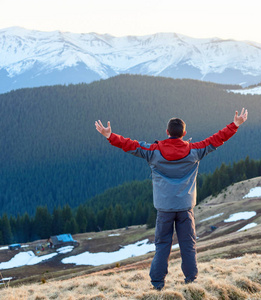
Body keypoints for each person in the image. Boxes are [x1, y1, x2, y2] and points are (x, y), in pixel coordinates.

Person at [95, 108, 248, 291]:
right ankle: (191, 281)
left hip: (164, 209)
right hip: (185, 208)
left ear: (167, 132)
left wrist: (109, 135)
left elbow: (130, 145)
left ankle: (158, 284)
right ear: (184, 133)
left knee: (162, 246)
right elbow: (217, 139)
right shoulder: (195, 151)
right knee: (188, 245)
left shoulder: (153, 151)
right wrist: (235, 125)